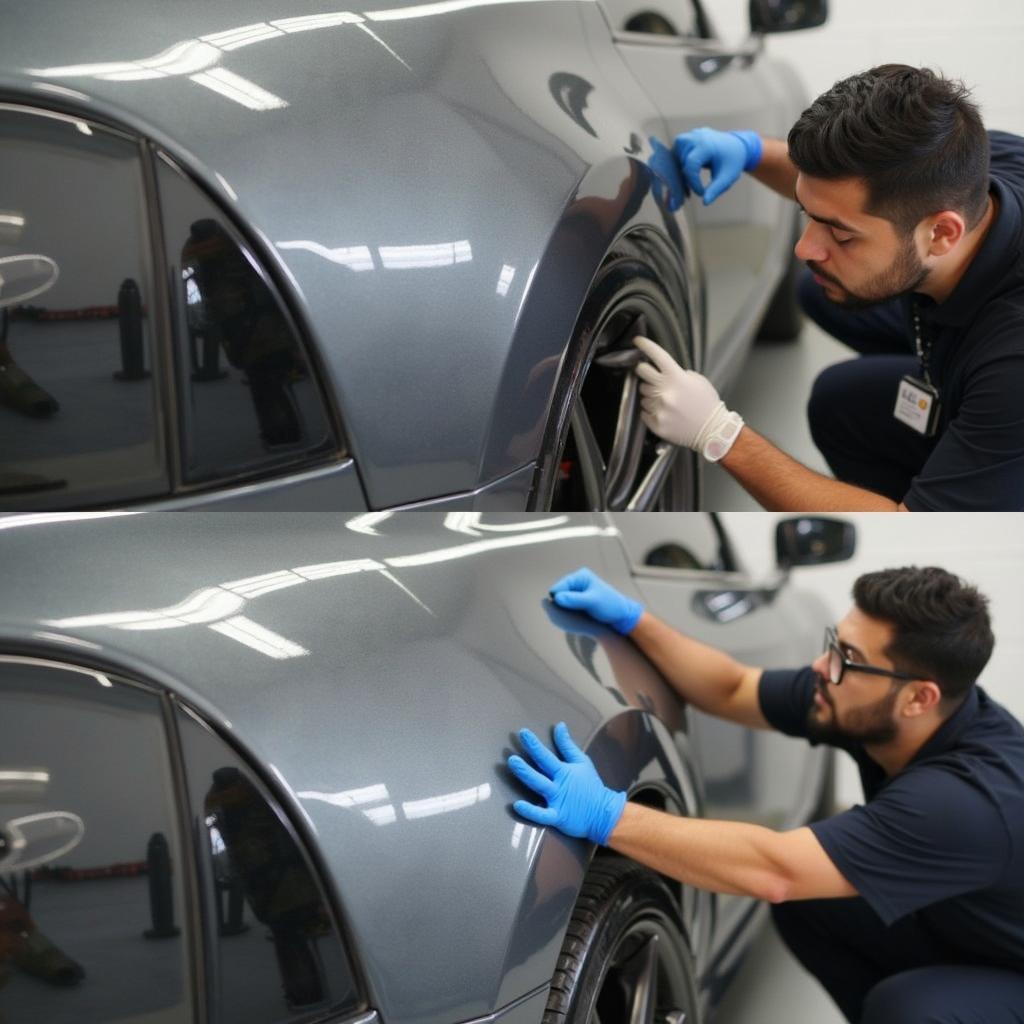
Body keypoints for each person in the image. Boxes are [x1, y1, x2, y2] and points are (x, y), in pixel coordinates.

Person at [507, 566, 1024, 1023]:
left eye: (847, 658)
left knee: (911, 1007)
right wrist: (635, 621)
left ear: (919, 698)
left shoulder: (965, 800)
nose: (823, 667)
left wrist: (606, 816)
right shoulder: (869, 701)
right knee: (815, 907)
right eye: (833, 643)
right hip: (978, 931)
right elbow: (733, 688)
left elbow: (776, 870)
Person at [637, 64, 1024, 511]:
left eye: (840, 235)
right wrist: (752, 152)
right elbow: (844, 198)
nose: (804, 247)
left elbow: (910, 524)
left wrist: (719, 434)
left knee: (845, 403)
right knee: (822, 309)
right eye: (807, 213)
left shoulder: (1011, 365)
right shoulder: (973, 164)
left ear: (941, 234)